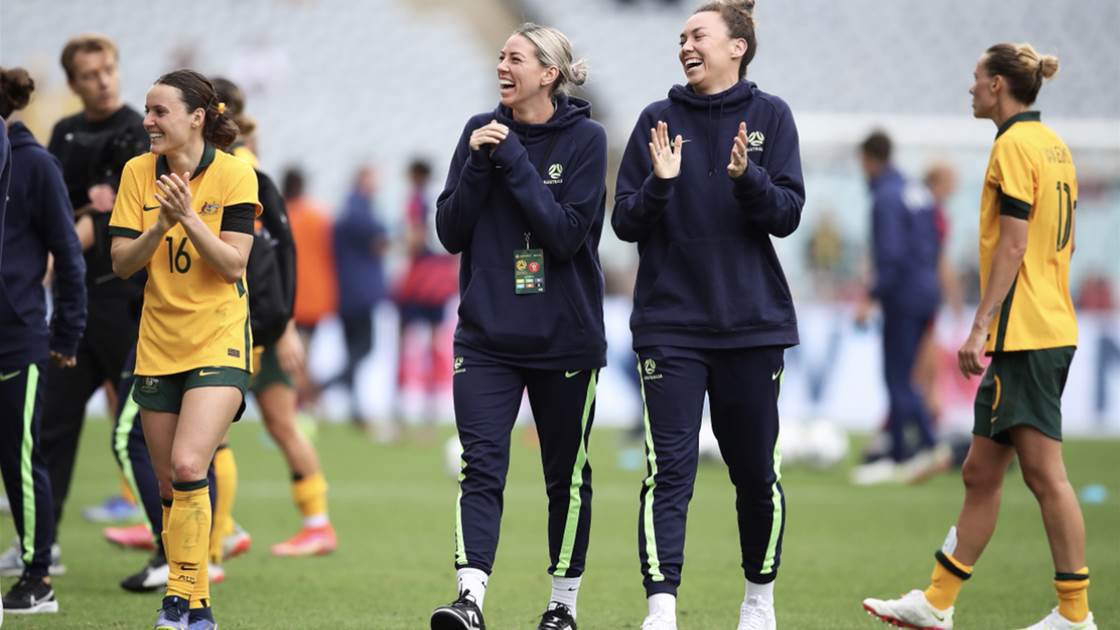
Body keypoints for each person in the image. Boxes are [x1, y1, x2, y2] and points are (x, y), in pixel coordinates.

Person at [862, 43, 1097, 630]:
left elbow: (1014, 243)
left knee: (1045, 476)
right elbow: (1061, 240)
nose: (969, 87)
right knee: (979, 471)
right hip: (1044, 324)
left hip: (1025, 334)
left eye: (975, 78)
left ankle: (1075, 614)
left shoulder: (1012, 145)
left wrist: (979, 325)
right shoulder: (1054, 145)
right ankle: (937, 601)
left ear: (997, 85)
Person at [611, 1, 805, 628]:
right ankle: (661, 611)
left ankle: (758, 604)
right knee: (668, 473)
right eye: (681, 37)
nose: (685, 46)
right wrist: (660, 183)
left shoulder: (771, 117)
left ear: (736, 47)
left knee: (755, 475)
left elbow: (786, 215)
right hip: (670, 327)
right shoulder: (657, 120)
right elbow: (623, 222)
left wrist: (748, 179)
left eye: (698, 35)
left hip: (752, 327)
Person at [428, 23, 607, 630]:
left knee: (566, 480)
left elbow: (563, 235)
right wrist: (480, 164)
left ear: (548, 74)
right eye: (500, 56)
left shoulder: (587, 140)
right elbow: (450, 231)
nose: (501, 65)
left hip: (565, 340)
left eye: (515, 58)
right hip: (486, 339)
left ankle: (562, 606)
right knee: (480, 467)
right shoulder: (477, 133)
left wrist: (510, 158)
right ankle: (469, 599)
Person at [109, 69, 259, 630]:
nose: (148, 121)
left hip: (219, 338)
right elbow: (122, 264)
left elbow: (233, 266)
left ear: (197, 118)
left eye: (159, 111)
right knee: (170, 484)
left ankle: (175, 597)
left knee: (191, 463)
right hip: (158, 341)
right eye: (147, 111)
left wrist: (189, 217)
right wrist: (159, 226)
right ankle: (197, 609)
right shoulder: (136, 173)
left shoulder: (236, 174)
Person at [0, 35, 149, 579]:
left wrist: (53, 249)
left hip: (127, 303)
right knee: (51, 428)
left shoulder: (137, 130)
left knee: (137, 436)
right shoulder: (62, 133)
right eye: (90, 74)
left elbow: (97, 218)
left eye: (108, 68)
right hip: (75, 305)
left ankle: (172, 552)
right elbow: (63, 208)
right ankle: (44, 545)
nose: (103, 80)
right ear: (73, 83)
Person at [214, 76, 337, 560]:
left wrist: (283, 326)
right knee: (274, 425)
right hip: (253, 322)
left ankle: (218, 535)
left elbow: (269, 256)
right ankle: (312, 523)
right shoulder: (243, 163)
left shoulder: (240, 171)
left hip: (249, 326)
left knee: (217, 434)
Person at [0, 66, 87, 615]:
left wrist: (68, 330)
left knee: (21, 460)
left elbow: (68, 254)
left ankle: (37, 577)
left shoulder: (35, 166)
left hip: (17, 339)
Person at [850, 130, 942, 486]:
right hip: (926, 289)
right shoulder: (916, 190)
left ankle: (910, 451)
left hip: (903, 295)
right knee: (906, 375)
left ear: (869, 159)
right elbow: (933, 242)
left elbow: (890, 254)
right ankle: (922, 446)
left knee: (897, 376)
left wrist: (870, 296)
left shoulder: (886, 196)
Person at [393, 158, 457, 442]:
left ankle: (398, 418)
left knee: (403, 345)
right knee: (433, 347)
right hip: (440, 280)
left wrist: (394, 244)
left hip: (418, 280)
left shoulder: (416, 199)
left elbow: (414, 240)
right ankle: (428, 421)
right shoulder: (442, 195)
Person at [326, 165, 388, 427]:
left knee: (353, 351)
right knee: (364, 348)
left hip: (346, 292)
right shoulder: (360, 211)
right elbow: (379, 237)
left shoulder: (348, 210)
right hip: (359, 294)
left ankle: (355, 410)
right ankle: (324, 385)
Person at [284, 166, 337, 404]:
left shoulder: (280, 216)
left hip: (289, 297)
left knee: (295, 357)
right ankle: (308, 400)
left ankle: (302, 401)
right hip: (315, 298)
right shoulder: (319, 217)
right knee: (303, 354)